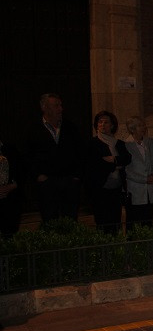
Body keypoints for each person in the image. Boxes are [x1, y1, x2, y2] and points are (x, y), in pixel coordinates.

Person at [26, 93, 85, 223]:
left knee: (70, 220)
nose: (60, 109)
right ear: (44, 108)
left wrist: (77, 176)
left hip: (69, 182)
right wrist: (38, 175)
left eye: (60, 105)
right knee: (50, 220)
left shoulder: (70, 127)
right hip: (47, 183)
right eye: (56, 106)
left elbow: (80, 153)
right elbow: (28, 156)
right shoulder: (34, 129)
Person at [86, 111, 132, 233]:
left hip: (116, 188)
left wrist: (113, 160)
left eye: (106, 122)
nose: (102, 124)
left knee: (115, 219)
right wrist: (115, 165)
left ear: (112, 125)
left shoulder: (119, 143)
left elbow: (127, 158)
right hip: (100, 188)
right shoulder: (93, 143)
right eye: (100, 122)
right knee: (102, 220)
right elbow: (95, 164)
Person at [124, 116, 153, 227]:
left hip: (150, 189)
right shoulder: (126, 145)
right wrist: (144, 179)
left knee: (148, 220)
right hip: (135, 189)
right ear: (132, 129)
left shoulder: (149, 142)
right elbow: (127, 169)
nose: (143, 128)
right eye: (140, 126)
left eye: (143, 125)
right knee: (133, 221)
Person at [0, 138, 24, 238]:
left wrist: (13, 186)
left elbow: (22, 172)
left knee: (9, 236)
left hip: (10, 203)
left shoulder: (10, 148)